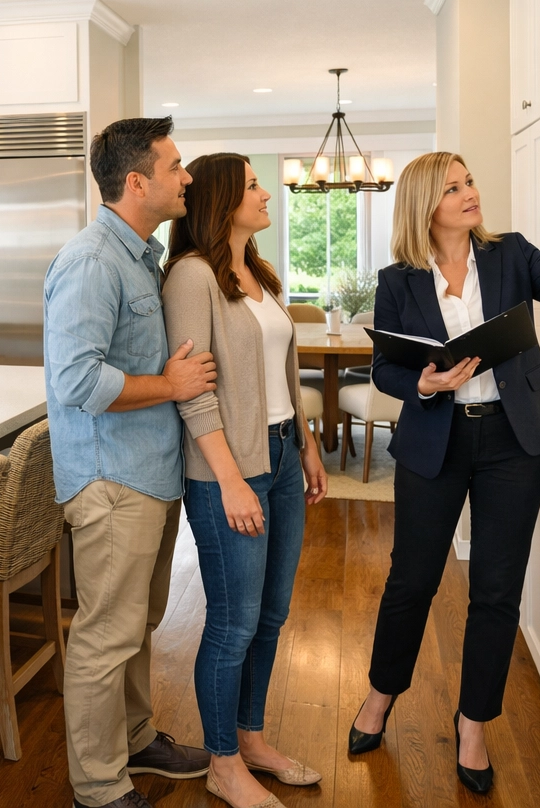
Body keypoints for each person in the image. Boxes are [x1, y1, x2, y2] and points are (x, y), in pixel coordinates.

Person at [347, 147, 540, 794]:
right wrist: (424, 379)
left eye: (470, 181)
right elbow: (384, 367)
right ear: (425, 205)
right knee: (410, 582)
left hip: (511, 442)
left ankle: (474, 724)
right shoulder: (398, 280)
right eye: (454, 188)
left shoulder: (512, 254)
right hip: (432, 445)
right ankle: (381, 696)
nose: (471, 193)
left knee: (496, 591)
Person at [43, 117, 215, 808]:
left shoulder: (139, 256)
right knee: (104, 637)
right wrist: (173, 387)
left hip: (146, 473)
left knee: (136, 625)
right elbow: (78, 382)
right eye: (176, 167)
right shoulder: (91, 262)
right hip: (112, 480)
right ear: (138, 181)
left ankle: (137, 738)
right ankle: (98, 786)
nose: (188, 178)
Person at [161, 154, 329, 808]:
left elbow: (286, 372)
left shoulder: (257, 274)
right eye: (255, 185)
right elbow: (194, 394)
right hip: (227, 470)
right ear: (223, 199)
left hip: (283, 457)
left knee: (273, 613)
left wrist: (309, 447)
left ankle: (251, 739)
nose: (266, 195)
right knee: (234, 621)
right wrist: (230, 480)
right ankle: (223, 764)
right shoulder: (192, 278)